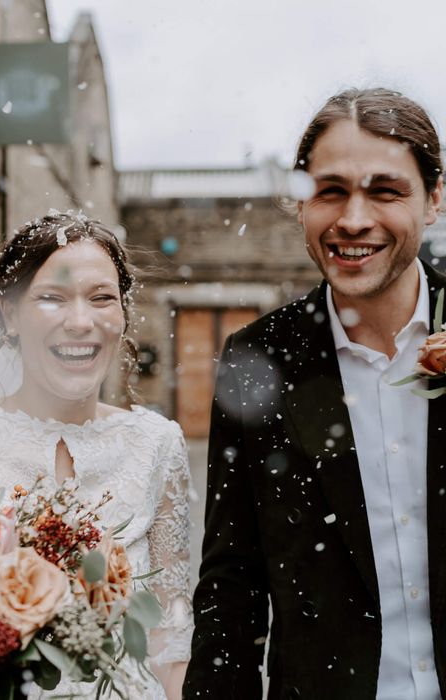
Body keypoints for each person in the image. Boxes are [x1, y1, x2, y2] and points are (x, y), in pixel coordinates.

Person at [183, 88, 446, 699]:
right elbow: (232, 582)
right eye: (331, 191)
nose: (353, 219)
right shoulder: (256, 362)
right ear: (299, 205)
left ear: (434, 199)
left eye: (385, 191)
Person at [0, 211, 194, 699]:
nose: (81, 322)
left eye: (101, 299)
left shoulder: (158, 443)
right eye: (51, 298)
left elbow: (170, 627)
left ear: (122, 315)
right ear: (9, 314)